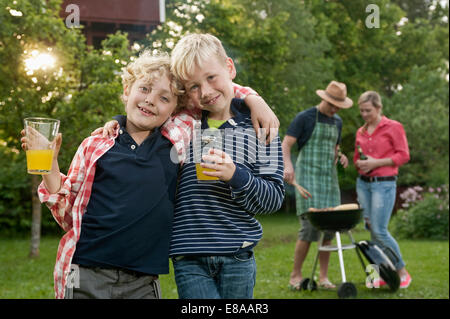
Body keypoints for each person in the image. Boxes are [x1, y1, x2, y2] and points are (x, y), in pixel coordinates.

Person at [20, 52, 185, 299]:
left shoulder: (177, 146)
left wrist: (254, 101)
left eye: (164, 97)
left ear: (175, 109)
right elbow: (67, 215)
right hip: (86, 272)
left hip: (142, 280)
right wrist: (50, 165)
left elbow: (212, 95)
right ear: (127, 91)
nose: (151, 100)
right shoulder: (95, 145)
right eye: (144, 88)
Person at [168, 33, 285, 299]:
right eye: (193, 87)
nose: (206, 92)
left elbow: (274, 198)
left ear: (230, 68)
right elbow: (147, 108)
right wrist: (117, 122)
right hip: (189, 255)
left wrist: (236, 176)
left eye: (211, 78)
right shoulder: (184, 125)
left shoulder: (261, 127)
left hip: (238, 254)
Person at [282, 80, 352, 290]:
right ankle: (295, 276)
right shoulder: (305, 117)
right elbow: (286, 144)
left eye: (338, 106)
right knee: (309, 229)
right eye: (332, 105)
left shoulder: (337, 121)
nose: (335, 109)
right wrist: (288, 166)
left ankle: (323, 278)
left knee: (330, 230)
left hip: (329, 181)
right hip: (308, 177)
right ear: (324, 99)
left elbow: (334, 148)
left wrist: (341, 156)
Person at [354, 90, 411, 289]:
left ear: (379, 108)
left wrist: (376, 163)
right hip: (363, 185)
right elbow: (357, 158)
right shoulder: (360, 132)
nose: (364, 114)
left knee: (380, 230)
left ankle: (401, 271)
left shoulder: (393, 127)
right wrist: (359, 164)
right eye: (361, 110)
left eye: (368, 110)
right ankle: (379, 275)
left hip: (384, 184)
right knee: (372, 231)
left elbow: (403, 155)